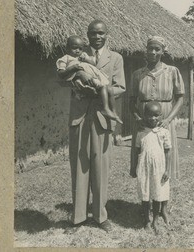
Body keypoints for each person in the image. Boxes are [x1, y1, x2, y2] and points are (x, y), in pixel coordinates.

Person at [57, 20, 125, 232]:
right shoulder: (77, 54)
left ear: (107, 35)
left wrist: (98, 91)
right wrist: (75, 82)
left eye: (101, 33)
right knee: (79, 164)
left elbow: (120, 87)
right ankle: (78, 218)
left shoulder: (116, 58)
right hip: (79, 116)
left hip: (102, 118)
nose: (97, 37)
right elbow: (61, 78)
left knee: (100, 166)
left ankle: (100, 216)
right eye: (93, 33)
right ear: (87, 35)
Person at [130, 35, 185, 181]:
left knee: (165, 152)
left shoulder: (172, 71)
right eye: (150, 49)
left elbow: (180, 98)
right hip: (143, 119)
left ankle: (162, 198)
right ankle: (145, 198)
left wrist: (168, 119)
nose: (153, 52)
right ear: (146, 51)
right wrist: (137, 118)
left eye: (157, 49)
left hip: (165, 119)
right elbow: (131, 101)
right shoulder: (137, 75)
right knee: (144, 154)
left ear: (163, 52)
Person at [56, 35, 123, 123]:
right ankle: (105, 108)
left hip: (92, 77)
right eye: (74, 48)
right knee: (102, 87)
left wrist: (87, 59)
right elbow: (61, 74)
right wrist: (74, 69)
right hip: (78, 82)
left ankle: (113, 112)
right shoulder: (65, 58)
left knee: (108, 88)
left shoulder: (83, 55)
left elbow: (94, 63)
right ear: (67, 48)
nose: (77, 51)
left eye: (80, 48)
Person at [134, 101, 171, 234]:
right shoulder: (141, 133)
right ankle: (146, 221)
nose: (153, 118)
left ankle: (155, 220)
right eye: (150, 115)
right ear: (144, 116)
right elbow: (136, 150)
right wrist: (134, 168)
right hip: (144, 168)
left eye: (157, 115)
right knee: (145, 194)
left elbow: (167, 151)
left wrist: (167, 169)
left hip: (159, 169)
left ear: (161, 116)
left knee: (157, 194)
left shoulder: (164, 132)